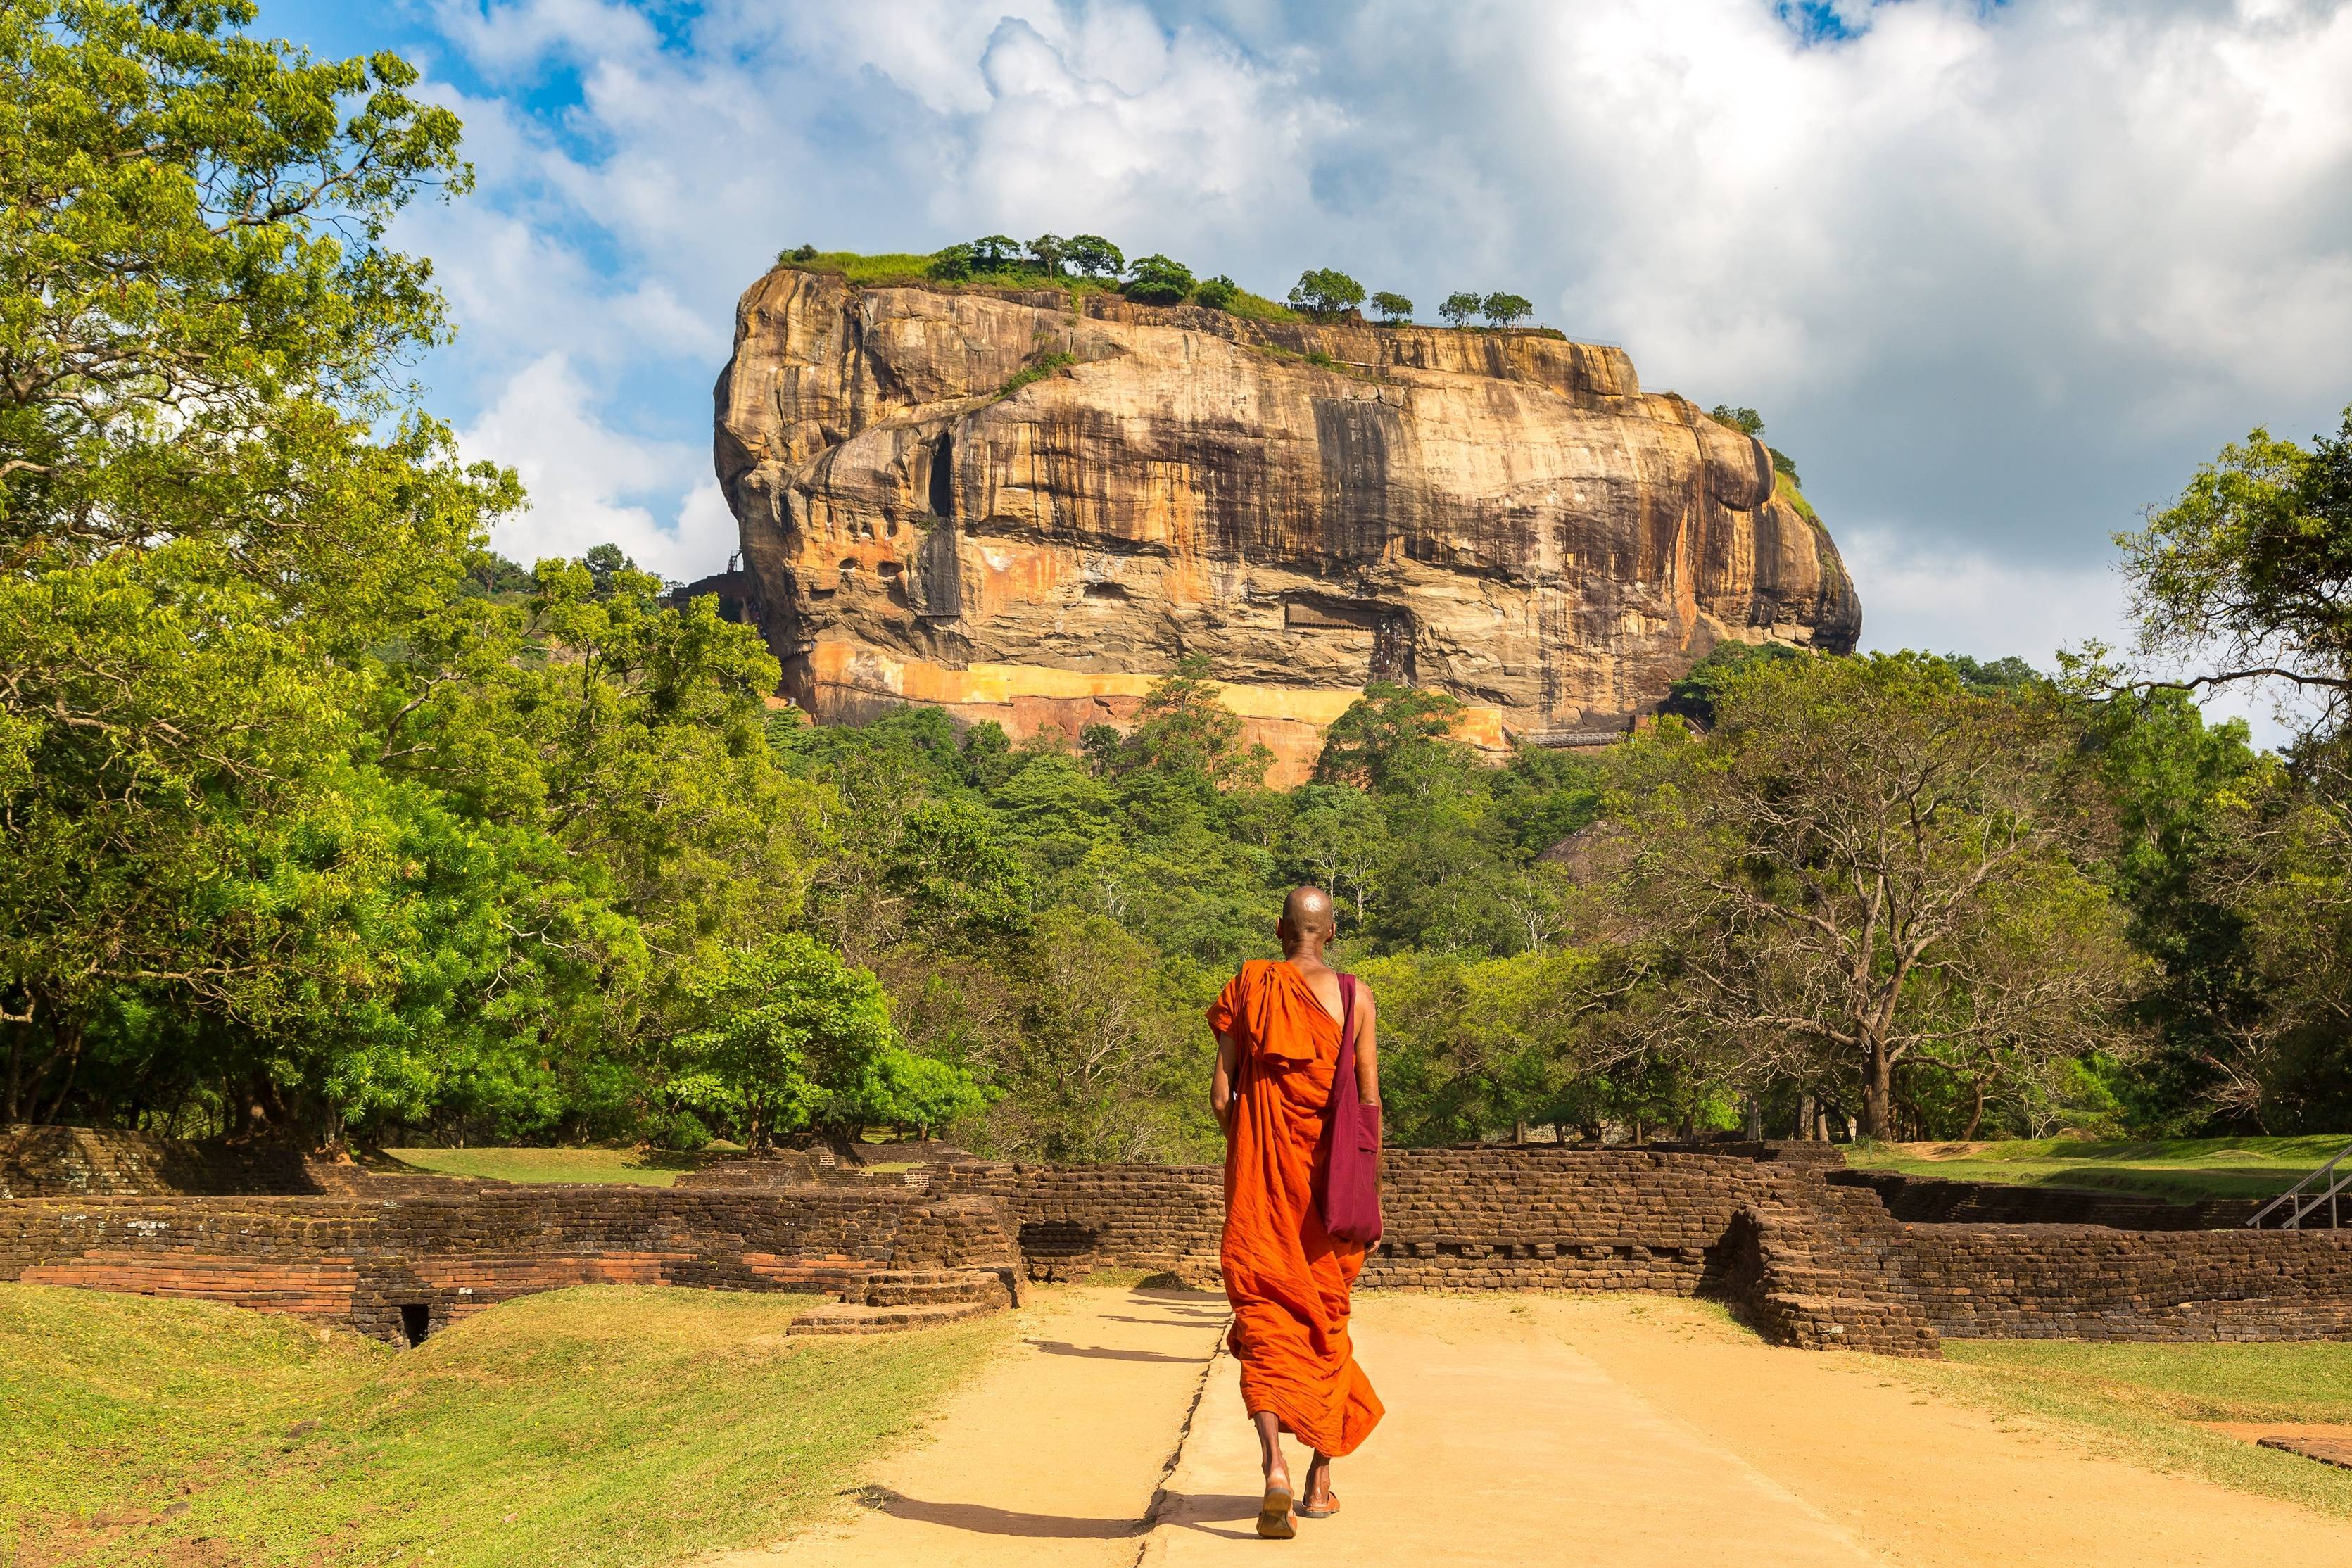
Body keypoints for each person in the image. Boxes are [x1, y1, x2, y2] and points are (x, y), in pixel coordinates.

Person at [1206, 885, 1384, 1541]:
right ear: (1330, 933)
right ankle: (1319, 1482)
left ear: (1281, 930)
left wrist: (1253, 1148)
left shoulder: (1251, 986)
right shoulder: (1355, 995)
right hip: (1331, 1195)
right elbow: (1367, 1107)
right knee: (1325, 1329)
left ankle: (1273, 1465)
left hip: (1263, 1194)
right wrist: (1365, 1188)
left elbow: (1223, 1098)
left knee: (1265, 1321)